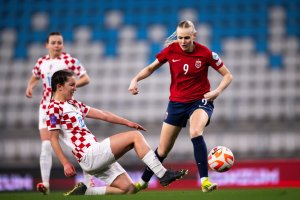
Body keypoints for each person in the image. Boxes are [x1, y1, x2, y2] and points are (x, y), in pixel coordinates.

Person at [128, 20, 233, 193]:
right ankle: (143, 181)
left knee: (195, 131)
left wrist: (217, 91)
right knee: (162, 149)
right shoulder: (171, 50)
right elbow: (151, 67)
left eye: (186, 38)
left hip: (200, 100)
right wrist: (135, 79)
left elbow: (228, 75)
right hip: (176, 103)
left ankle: (205, 181)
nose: (183, 41)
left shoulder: (206, 53)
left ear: (194, 36)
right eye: (180, 38)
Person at [47, 70, 188, 196]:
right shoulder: (53, 108)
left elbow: (103, 114)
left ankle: (87, 192)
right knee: (135, 136)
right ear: (59, 86)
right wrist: (65, 163)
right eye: (71, 85)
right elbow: (53, 138)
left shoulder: (73, 104)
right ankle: (162, 174)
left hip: (94, 154)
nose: (75, 88)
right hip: (88, 154)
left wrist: (127, 122)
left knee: (129, 189)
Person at [25, 32, 93, 194]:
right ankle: (46, 184)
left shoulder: (69, 61)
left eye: (59, 43)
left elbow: (86, 78)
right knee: (46, 144)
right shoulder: (41, 62)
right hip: (46, 108)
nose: (57, 45)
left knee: (80, 144)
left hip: (65, 107)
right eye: (54, 43)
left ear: (63, 45)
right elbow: (35, 77)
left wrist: (70, 85)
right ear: (46, 45)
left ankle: (89, 183)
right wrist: (30, 86)